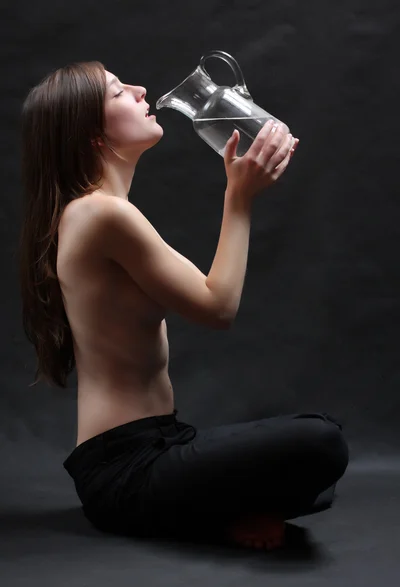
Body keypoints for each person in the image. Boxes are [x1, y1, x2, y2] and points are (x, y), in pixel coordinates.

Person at [19, 61, 349, 551]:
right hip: (124, 469)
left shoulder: (98, 212)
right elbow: (218, 307)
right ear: (91, 135)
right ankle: (221, 513)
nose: (139, 89)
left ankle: (217, 511)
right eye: (117, 92)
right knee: (320, 444)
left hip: (162, 442)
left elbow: (205, 295)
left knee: (315, 458)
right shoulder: (101, 213)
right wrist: (238, 198)